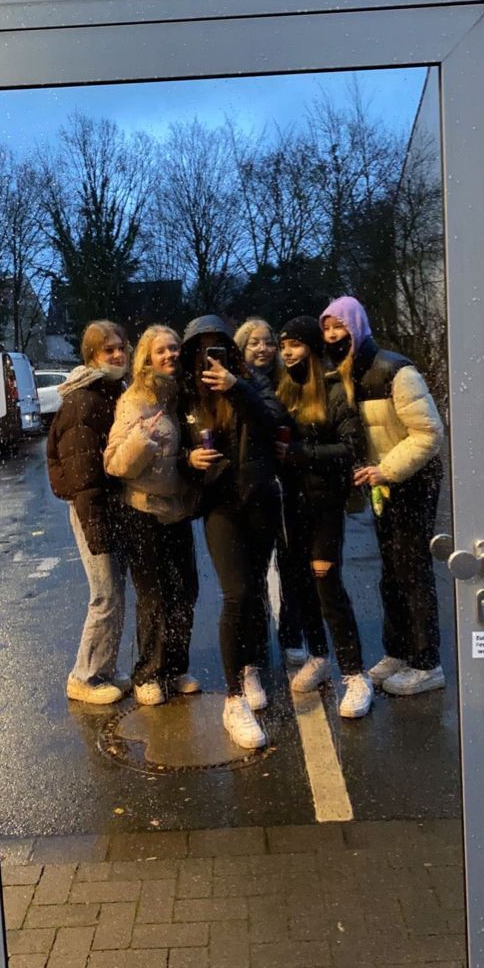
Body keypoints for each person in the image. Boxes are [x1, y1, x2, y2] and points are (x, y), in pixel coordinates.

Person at [320, 296, 445, 696]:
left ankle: (427, 663)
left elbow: (429, 433)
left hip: (411, 482)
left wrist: (386, 469)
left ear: (356, 325)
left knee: (413, 573)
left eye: (339, 325)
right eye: (326, 328)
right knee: (391, 573)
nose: (332, 334)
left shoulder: (396, 370)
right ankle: (399, 651)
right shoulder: (345, 374)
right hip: (383, 485)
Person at [179, 315, 283, 750]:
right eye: (202, 349)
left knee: (256, 586)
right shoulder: (185, 393)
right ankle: (233, 698)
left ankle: (252, 665)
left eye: (217, 347)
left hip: (259, 500)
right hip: (220, 505)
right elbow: (172, 444)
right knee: (236, 593)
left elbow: (272, 419)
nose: (210, 357)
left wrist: (235, 386)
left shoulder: (249, 382)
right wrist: (188, 459)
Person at [276, 316, 373, 718]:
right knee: (300, 586)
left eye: (295, 345)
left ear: (312, 350)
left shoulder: (334, 391)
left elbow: (351, 449)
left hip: (325, 506)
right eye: (284, 346)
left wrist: (302, 454)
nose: (287, 353)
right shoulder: (282, 392)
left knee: (326, 583)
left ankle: (355, 674)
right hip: (290, 507)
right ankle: (319, 655)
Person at [104, 326, 200, 706]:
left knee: (186, 592)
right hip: (142, 511)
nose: (170, 355)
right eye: (161, 350)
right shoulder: (133, 400)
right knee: (154, 597)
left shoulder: (178, 397)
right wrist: (142, 440)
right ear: (147, 357)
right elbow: (114, 464)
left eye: (175, 348)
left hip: (176, 509)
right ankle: (148, 673)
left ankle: (176, 668)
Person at [234, 317, 327, 669]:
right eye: (254, 342)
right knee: (251, 570)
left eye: (268, 341)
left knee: (293, 564)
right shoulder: (236, 383)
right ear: (241, 348)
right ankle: (254, 644)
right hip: (253, 486)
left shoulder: (290, 379)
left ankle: (292, 634)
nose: (264, 348)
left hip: (291, 482)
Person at [47, 320, 131, 704]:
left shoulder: (113, 392)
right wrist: (95, 531)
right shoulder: (84, 400)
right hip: (92, 510)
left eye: (120, 347)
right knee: (105, 595)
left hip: (110, 506)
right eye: (107, 350)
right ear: (92, 357)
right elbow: (84, 477)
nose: (117, 355)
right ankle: (84, 676)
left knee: (115, 593)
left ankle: (105, 669)